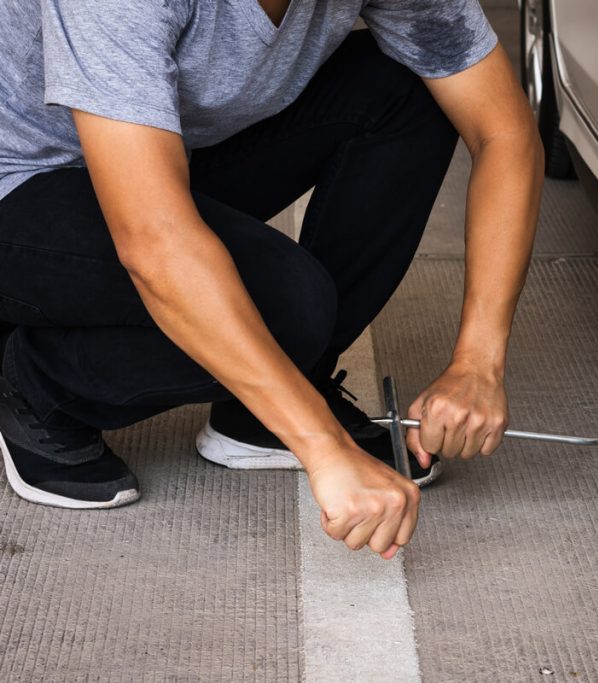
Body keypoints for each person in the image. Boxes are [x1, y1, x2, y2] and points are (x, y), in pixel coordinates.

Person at [0, 0, 542, 559]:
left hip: (155, 152)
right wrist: (324, 448)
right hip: (20, 178)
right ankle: (36, 387)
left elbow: (502, 130)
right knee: (283, 305)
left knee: (410, 86)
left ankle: (257, 416)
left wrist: (478, 363)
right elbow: (155, 243)